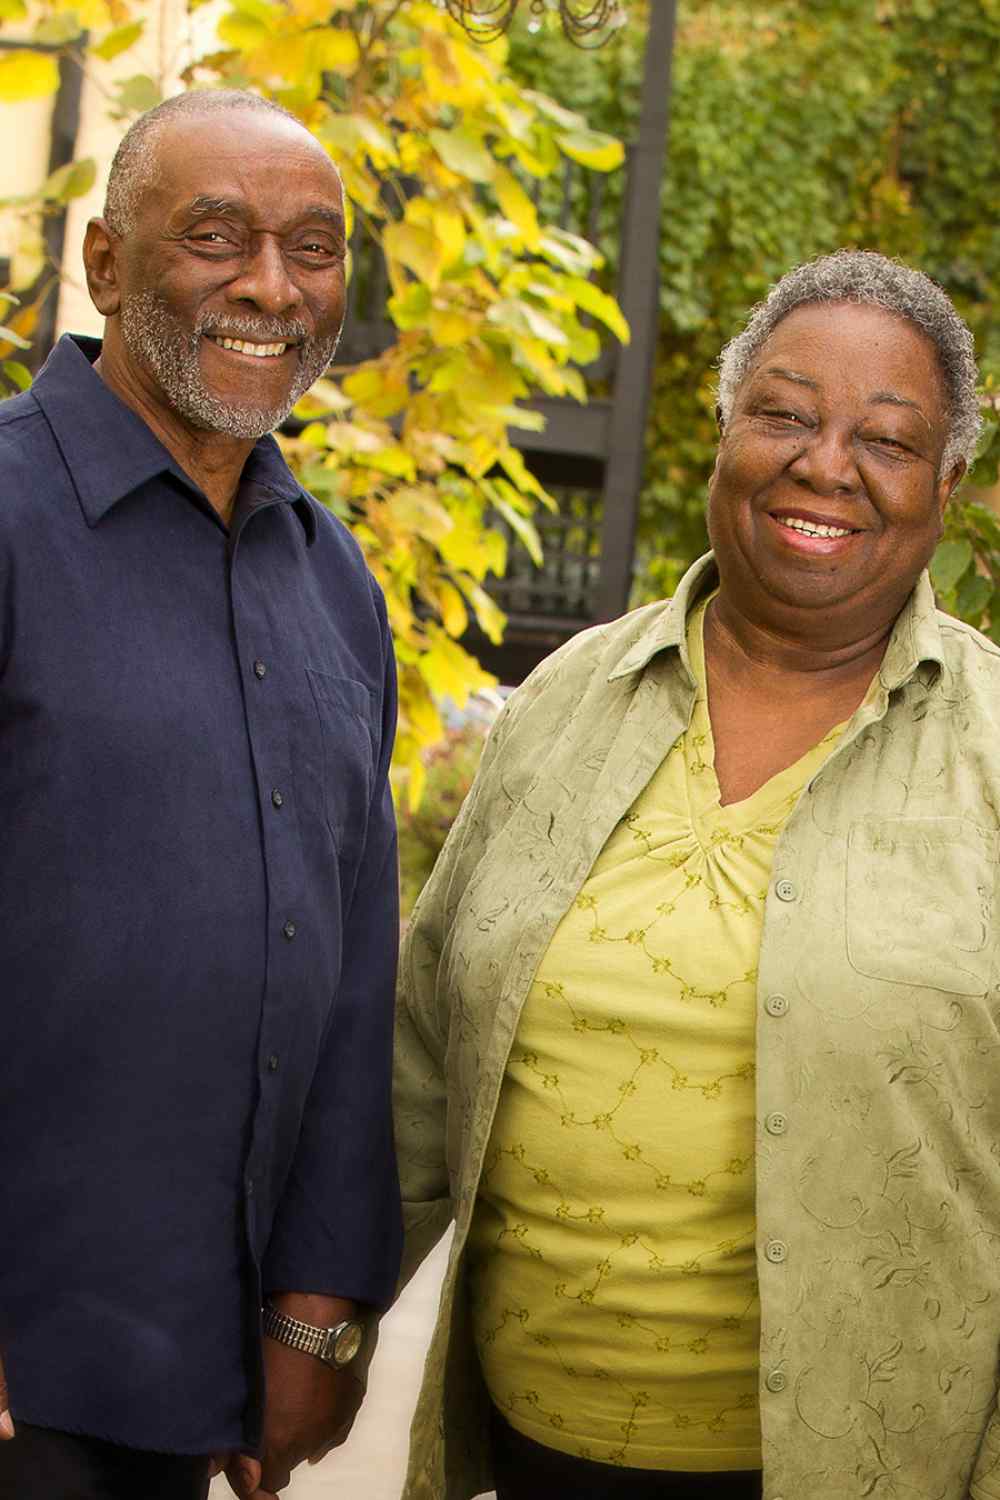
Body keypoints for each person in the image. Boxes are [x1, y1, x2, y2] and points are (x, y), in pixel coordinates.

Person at [394, 249, 1000, 1499]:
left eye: (884, 441)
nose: (823, 464)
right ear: (723, 432)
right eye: (782, 413)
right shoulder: (569, 697)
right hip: (530, 1453)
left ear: (944, 491)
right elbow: (418, 1045)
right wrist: (314, 1323)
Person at [0, 90, 401, 1500]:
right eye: (214, 238)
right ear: (105, 266)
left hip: (191, 1381)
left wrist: (321, 1303)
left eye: (312, 247)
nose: (270, 289)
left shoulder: (335, 583)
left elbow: (353, 980)